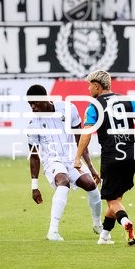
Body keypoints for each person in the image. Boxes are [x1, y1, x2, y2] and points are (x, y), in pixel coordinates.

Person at [73, 70, 135, 246]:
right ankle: (104, 236)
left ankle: (126, 222)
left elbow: (86, 134)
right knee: (115, 200)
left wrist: (77, 158)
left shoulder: (94, 106)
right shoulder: (127, 100)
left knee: (112, 201)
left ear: (97, 86)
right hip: (129, 156)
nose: (88, 89)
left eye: (89, 85)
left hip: (111, 157)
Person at [26, 84, 104, 241]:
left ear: (45, 99)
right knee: (63, 181)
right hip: (52, 161)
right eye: (30, 104)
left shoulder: (68, 109)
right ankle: (52, 231)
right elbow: (34, 155)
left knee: (91, 185)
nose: (33, 107)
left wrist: (90, 167)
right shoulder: (33, 125)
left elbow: (80, 139)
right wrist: (34, 186)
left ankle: (97, 224)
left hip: (71, 158)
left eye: (35, 103)